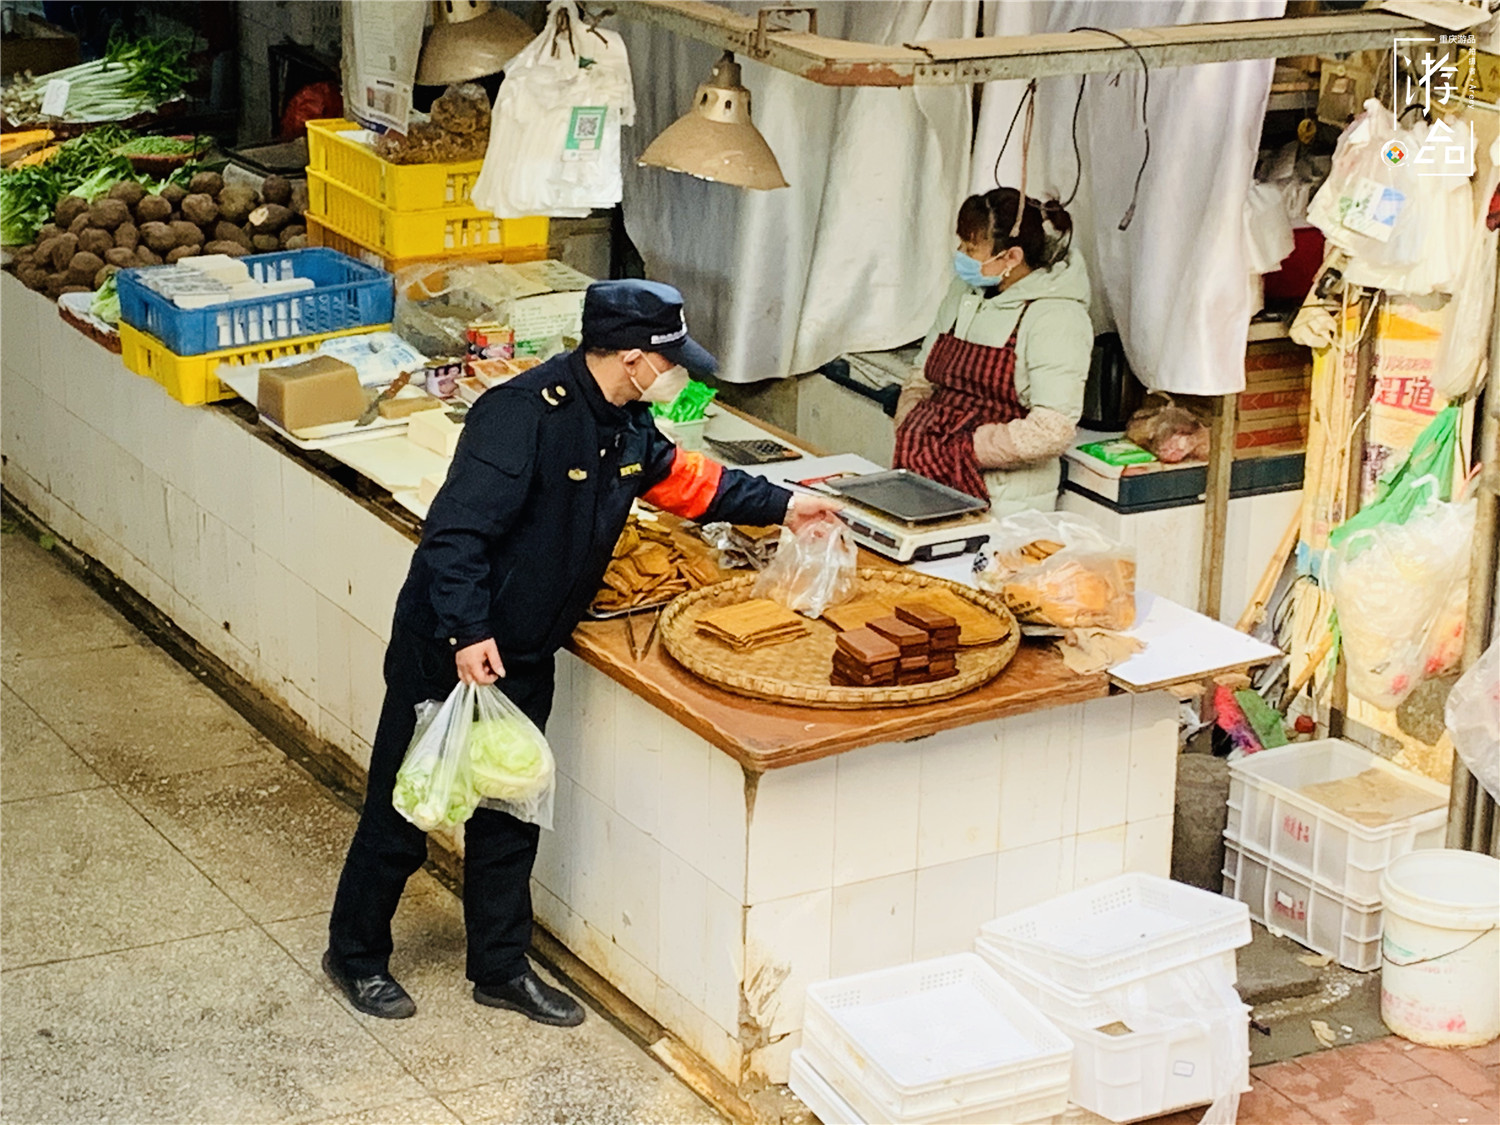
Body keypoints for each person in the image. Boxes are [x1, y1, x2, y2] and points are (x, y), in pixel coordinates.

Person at [325, 280, 841, 1024]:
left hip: (527, 648)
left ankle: (500, 967)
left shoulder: (627, 421)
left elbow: (685, 483)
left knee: (509, 807)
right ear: (632, 358)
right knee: (407, 804)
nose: (679, 377)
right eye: (670, 362)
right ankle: (356, 953)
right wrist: (470, 633)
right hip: (450, 645)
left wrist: (788, 505)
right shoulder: (521, 415)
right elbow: (455, 537)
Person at [893, 188, 1093, 517]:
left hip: (1001, 501)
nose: (961, 253)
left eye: (971, 248)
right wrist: (912, 421)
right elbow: (922, 372)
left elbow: (1052, 430)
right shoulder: (964, 293)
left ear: (1011, 257)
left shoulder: (1057, 317)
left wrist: (963, 447)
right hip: (926, 474)